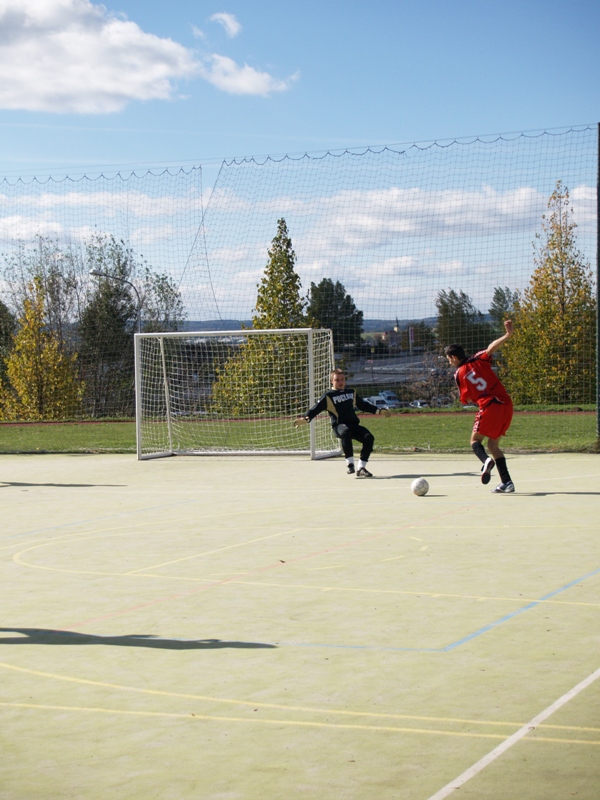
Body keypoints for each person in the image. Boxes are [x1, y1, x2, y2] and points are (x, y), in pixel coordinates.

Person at [444, 320, 515, 493]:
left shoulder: (459, 374)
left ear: (453, 357)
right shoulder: (478, 358)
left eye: (449, 360)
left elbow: (466, 398)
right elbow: (491, 348)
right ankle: (507, 483)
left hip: (489, 406)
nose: (449, 363)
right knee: (493, 446)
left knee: (475, 441)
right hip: (506, 404)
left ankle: (486, 461)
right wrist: (508, 335)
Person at [295, 368, 390, 477]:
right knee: (346, 432)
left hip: (353, 425)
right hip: (339, 426)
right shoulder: (328, 396)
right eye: (337, 380)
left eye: (342, 379)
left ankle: (361, 468)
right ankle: (350, 464)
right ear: (332, 381)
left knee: (369, 438)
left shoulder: (351, 392)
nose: (340, 382)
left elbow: (363, 405)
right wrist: (306, 419)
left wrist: (379, 411)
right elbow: (315, 409)